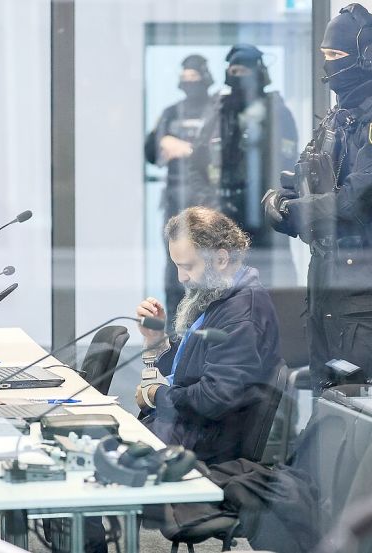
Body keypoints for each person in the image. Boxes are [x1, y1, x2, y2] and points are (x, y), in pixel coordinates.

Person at [261, 4, 372, 392]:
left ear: (367, 57)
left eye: (336, 54)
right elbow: (307, 178)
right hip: (325, 279)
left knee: (359, 404)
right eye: (325, 55)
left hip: (363, 288)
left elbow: (357, 200)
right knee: (325, 396)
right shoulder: (340, 114)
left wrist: (297, 211)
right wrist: (281, 202)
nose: (328, 64)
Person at [134, 206, 282, 464]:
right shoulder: (221, 296)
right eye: (177, 266)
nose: (181, 277)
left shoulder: (241, 314)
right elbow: (187, 375)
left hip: (199, 450)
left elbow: (215, 397)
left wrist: (155, 395)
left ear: (221, 259)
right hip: (183, 433)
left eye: (187, 266)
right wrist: (156, 340)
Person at [190, 44, 299, 289]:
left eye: (244, 71)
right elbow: (196, 164)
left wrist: (273, 204)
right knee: (219, 289)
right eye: (234, 71)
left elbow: (287, 166)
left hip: (264, 218)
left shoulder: (277, 112)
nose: (238, 77)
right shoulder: (217, 111)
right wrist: (208, 202)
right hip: (221, 215)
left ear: (259, 73)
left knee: (270, 288)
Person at [145, 54, 218, 330]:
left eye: (194, 78)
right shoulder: (171, 113)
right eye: (185, 78)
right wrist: (163, 143)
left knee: (208, 269)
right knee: (175, 270)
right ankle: (176, 335)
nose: (189, 84)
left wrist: (188, 150)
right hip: (175, 203)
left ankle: (207, 331)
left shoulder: (217, 111)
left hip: (209, 205)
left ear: (205, 79)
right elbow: (151, 152)